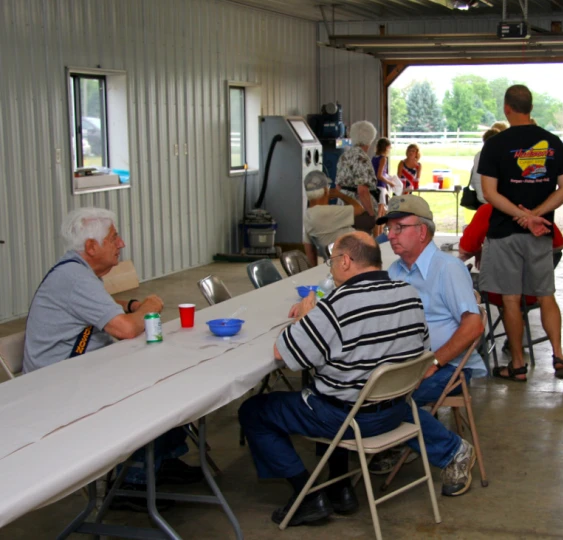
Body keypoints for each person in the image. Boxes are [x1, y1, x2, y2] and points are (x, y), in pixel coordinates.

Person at [238, 231, 477, 527]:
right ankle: (340, 489)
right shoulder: (410, 295)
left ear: (346, 261)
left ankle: (308, 495)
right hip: (395, 410)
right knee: (334, 387)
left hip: (348, 419)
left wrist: (304, 317)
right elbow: (421, 350)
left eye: (332, 261)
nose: (331, 268)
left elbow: (285, 354)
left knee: (255, 411)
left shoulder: (334, 307)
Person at [23, 207, 200, 509]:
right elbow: (125, 330)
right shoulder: (75, 278)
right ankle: (131, 483)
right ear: (91, 247)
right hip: (56, 385)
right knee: (151, 389)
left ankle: (162, 460)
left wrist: (130, 303)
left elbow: (100, 305)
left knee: (167, 374)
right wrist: (148, 307)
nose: (121, 244)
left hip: (78, 370)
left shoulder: (77, 272)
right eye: (114, 238)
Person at [371, 195, 481, 494]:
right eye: (389, 229)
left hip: (450, 365)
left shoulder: (447, 269)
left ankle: (453, 451)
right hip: (408, 362)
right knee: (361, 386)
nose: (391, 236)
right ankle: (397, 437)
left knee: (387, 398)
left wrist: (435, 362)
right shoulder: (395, 271)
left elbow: (474, 325)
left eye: (399, 228)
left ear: (422, 231)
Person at [477, 84, 563, 386]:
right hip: (540, 232)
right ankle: (559, 356)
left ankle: (519, 365)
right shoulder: (552, 142)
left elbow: (489, 193)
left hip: (504, 232)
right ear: (530, 107)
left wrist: (522, 215)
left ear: (507, 108)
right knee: (546, 295)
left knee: (511, 300)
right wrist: (536, 215)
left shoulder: (496, 144)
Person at [459, 203, 563, 273]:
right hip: (538, 285)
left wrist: (479, 251)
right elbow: (559, 245)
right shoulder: (534, 207)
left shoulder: (488, 210)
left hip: (501, 289)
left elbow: (464, 250)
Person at [303, 170, 365, 266]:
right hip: (354, 259)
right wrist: (340, 195)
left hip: (335, 261)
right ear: (325, 190)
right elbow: (359, 209)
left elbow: (309, 250)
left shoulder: (307, 216)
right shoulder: (329, 212)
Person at [336, 121, 379, 234]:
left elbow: (338, 186)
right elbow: (362, 190)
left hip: (343, 207)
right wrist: (371, 214)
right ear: (370, 139)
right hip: (359, 209)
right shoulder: (362, 158)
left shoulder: (344, 156)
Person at [469, 128, 501, 206]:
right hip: (495, 201)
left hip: (480, 198)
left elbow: (473, 180)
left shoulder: (478, 155)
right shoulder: (499, 155)